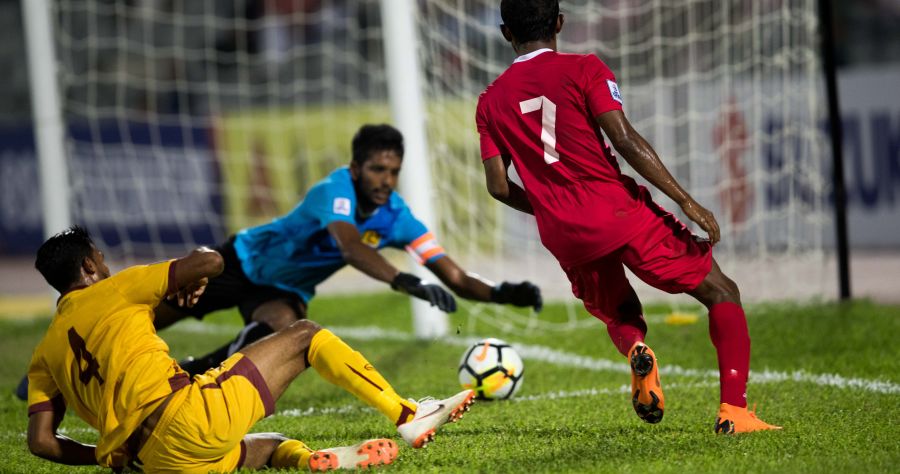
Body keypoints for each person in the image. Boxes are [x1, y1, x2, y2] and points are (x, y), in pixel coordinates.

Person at [475, 0, 780, 434]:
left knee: (619, 313)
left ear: (506, 33)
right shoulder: (584, 68)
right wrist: (685, 200)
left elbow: (498, 186)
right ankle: (735, 412)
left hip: (563, 233)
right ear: (559, 22)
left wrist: (547, 207)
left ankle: (638, 348)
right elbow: (624, 139)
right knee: (721, 291)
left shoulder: (489, 101)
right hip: (617, 211)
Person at [26, 226, 475, 472]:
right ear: (89, 266)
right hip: (185, 417)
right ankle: (407, 414)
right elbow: (213, 261)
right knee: (304, 334)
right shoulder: (118, 288)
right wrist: (195, 275)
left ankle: (312, 461)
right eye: (101, 258)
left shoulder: (44, 353)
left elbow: (42, 443)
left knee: (266, 446)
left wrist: (107, 453)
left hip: (150, 464)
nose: (106, 263)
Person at [155, 123, 543, 375]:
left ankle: (194, 372)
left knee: (286, 333)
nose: (386, 180)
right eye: (377, 169)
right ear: (356, 169)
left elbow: (454, 276)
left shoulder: (398, 218)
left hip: (283, 291)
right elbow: (350, 247)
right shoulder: (334, 189)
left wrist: (503, 293)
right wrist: (405, 281)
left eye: (393, 171)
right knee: (150, 319)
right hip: (241, 261)